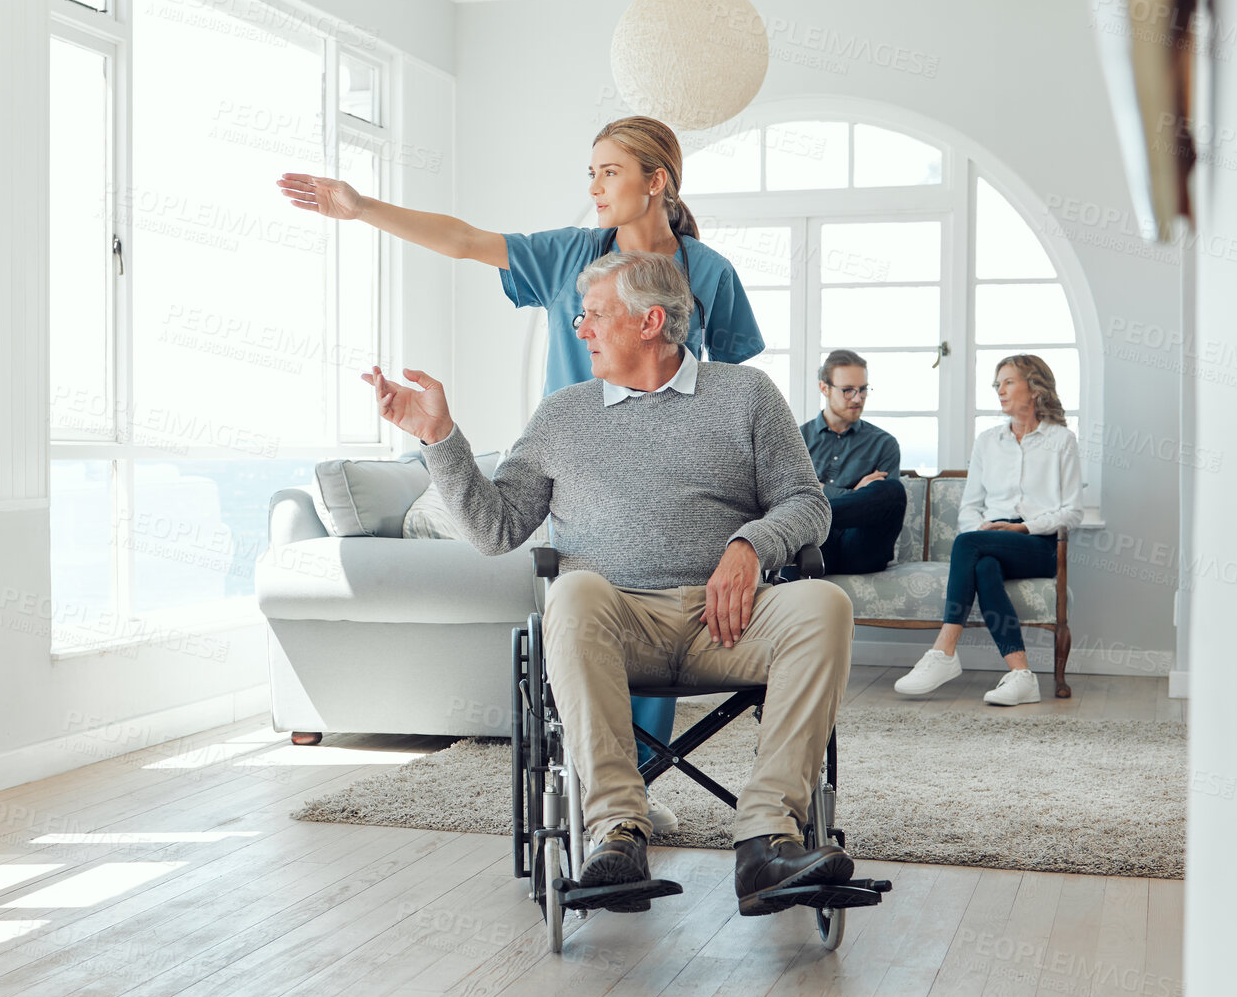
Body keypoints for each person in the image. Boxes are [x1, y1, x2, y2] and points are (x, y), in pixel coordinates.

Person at [279, 117, 766, 825]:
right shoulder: (570, 256)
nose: (594, 187)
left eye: (609, 172)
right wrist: (361, 208)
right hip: (582, 470)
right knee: (597, 595)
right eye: (590, 173)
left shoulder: (710, 273)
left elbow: (733, 388)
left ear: (656, 181)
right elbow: (465, 239)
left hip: (672, 473)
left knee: (659, 598)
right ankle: (608, 786)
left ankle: (632, 787)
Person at [361, 252, 856, 917]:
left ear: (650, 321)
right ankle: (618, 832)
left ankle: (767, 840)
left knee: (824, 603)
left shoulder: (747, 396)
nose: (581, 328)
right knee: (573, 588)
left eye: (594, 314)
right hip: (616, 625)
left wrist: (749, 544)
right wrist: (438, 438)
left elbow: (808, 505)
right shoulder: (564, 414)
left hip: (730, 621)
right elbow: (495, 530)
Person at [894, 354, 1083, 705]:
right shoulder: (987, 441)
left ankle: (944, 651)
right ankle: (1021, 675)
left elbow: (1072, 512)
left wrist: (1023, 528)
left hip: (1038, 544)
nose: (1001, 390)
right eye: (997, 384)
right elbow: (969, 507)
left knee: (969, 546)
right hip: (989, 539)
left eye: (1009, 381)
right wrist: (985, 531)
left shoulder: (1061, 440)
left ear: (1034, 385)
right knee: (982, 563)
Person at [799, 349, 908, 576]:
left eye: (863, 390)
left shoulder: (884, 443)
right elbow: (790, 498)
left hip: (860, 547)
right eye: (848, 390)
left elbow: (880, 507)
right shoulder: (798, 439)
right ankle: (814, 520)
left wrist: (821, 491)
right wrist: (854, 493)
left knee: (892, 490)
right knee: (801, 532)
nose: (858, 398)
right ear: (824, 388)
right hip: (815, 545)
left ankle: (815, 515)